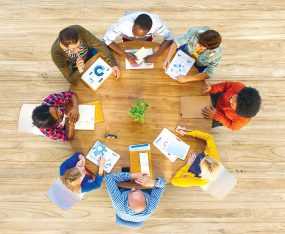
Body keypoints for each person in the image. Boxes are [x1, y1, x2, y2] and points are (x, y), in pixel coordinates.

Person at [51, 25, 120, 83]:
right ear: (64, 46)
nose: (77, 51)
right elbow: (70, 79)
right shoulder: (56, 53)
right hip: (76, 66)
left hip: (89, 53)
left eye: (79, 46)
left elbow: (99, 45)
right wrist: (80, 70)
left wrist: (113, 64)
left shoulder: (79, 30)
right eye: (72, 49)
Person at [103, 12, 173, 64]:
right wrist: (125, 54)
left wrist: (156, 55)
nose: (137, 38)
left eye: (141, 35)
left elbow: (170, 38)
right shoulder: (122, 24)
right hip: (127, 38)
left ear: (150, 29)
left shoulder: (157, 23)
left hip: (146, 39)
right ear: (133, 24)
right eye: (134, 33)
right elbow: (107, 39)